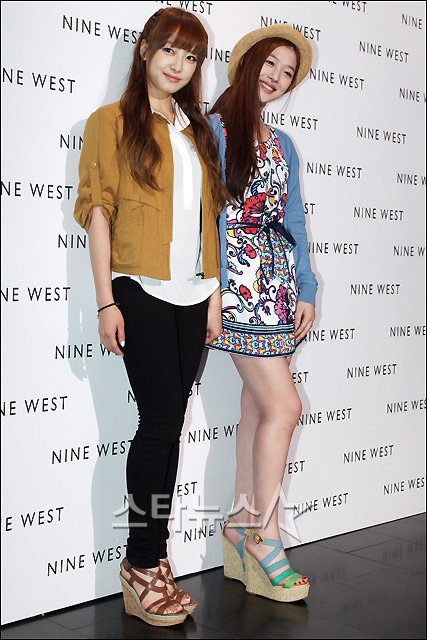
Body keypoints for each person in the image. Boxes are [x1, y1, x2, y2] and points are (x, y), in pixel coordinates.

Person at [74, 7, 225, 627]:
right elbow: (98, 210)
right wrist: (106, 299)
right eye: (169, 50)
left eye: (191, 57)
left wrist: (212, 296)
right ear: (144, 50)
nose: (178, 64)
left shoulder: (196, 131)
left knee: (170, 428)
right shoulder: (110, 122)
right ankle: (139, 565)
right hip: (139, 288)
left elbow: (208, 218)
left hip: (194, 295)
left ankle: (153, 558)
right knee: (158, 425)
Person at [207, 24, 317, 602]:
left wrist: (306, 288)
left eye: (287, 72)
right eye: (269, 63)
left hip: (277, 287)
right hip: (235, 286)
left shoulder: (284, 143)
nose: (276, 77)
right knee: (285, 406)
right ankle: (265, 537)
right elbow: (202, 215)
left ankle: (240, 523)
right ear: (248, 62)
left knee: (257, 407)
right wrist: (212, 289)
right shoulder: (212, 129)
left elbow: (293, 219)